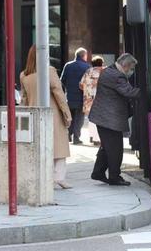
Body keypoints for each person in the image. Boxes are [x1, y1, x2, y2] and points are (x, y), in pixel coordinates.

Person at [20, 45, 74, 189]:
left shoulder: (24, 75)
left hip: (33, 114)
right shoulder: (49, 71)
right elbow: (59, 94)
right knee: (59, 147)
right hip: (52, 114)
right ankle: (59, 177)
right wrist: (67, 114)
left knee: (40, 147)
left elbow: (23, 98)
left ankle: (44, 177)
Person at [89, 53, 140, 186]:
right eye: (130, 68)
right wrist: (148, 91)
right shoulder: (116, 76)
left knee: (107, 147)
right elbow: (129, 92)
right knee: (115, 149)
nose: (130, 71)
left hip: (103, 117)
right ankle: (114, 177)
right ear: (126, 65)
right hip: (108, 119)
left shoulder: (109, 70)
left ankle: (98, 173)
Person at [60, 47, 90, 145]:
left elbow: (62, 80)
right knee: (79, 119)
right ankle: (76, 138)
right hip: (82, 97)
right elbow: (88, 83)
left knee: (71, 117)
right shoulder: (87, 67)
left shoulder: (68, 65)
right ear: (83, 56)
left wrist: (67, 90)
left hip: (69, 97)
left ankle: (68, 135)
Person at [79, 56, 105, 145]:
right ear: (101, 63)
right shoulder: (104, 72)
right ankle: (99, 138)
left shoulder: (88, 72)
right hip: (102, 99)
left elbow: (81, 84)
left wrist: (88, 89)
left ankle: (93, 137)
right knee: (102, 118)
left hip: (89, 99)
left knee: (91, 118)